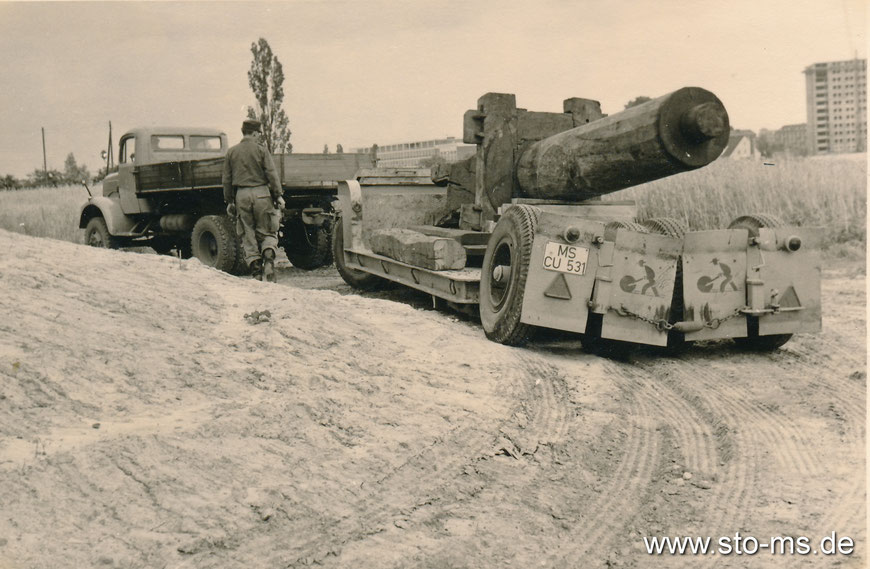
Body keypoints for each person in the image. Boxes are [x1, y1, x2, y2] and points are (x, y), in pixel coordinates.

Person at [222, 119, 285, 282]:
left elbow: (226, 179)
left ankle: (256, 270)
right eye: (259, 134)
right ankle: (269, 257)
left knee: (247, 233)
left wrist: (229, 201)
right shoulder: (261, 150)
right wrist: (278, 195)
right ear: (255, 133)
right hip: (262, 194)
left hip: (241, 196)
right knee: (267, 230)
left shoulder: (231, 152)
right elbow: (271, 173)